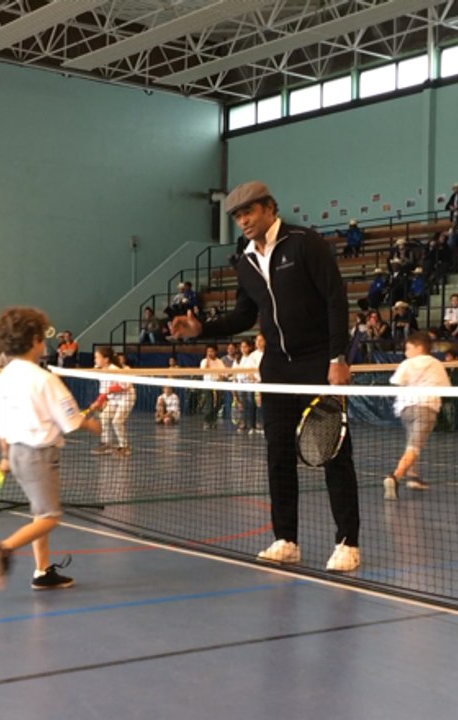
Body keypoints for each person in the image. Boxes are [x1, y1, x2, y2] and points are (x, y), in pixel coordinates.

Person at [168, 180, 361, 573]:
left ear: (270, 208)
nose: (243, 221)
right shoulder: (246, 261)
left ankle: (348, 543)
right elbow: (243, 316)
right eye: (238, 216)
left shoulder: (305, 243)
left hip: (317, 363)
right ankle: (286, 539)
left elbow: (335, 299)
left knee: (333, 454)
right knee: (278, 457)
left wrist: (338, 356)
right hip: (275, 367)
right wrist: (200, 328)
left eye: (249, 213)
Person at [0, 306, 102, 592]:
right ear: (35, 339)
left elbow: (2, 423)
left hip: (15, 453)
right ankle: (3, 549)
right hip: (39, 456)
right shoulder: (45, 379)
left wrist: (4, 456)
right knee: (50, 517)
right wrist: (91, 425)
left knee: (39, 512)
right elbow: (71, 420)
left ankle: (42, 571)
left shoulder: (5, 377)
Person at [383, 332, 450, 500]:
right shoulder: (436, 364)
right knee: (414, 446)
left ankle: (413, 477)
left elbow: (397, 381)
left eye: (408, 348)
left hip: (405, 409)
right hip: (426, 408)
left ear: (419, 347)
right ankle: (395, 477)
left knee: (411, 442)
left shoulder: (406, 363)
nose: (405, 351)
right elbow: (445, 387)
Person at [88, 346, 135, 457]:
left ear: (106, 359)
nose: (95, 360)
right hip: (114, 399)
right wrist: (98, 402)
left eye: (97, 357)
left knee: (117, 421)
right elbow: (104, 392)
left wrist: (110, 390)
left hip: (126, 397)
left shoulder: (115, 370)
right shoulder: (101, 372)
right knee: (104, 417)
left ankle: (125, 447)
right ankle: (107, 444)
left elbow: (125, 385)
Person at [235, 336, 262, 433]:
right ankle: (245, 423)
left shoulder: (254, 356)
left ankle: (255, 424)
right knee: (244, 405)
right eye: (241, 347)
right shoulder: (240, 358)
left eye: (245, 347)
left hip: (252, 384)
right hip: (242, 384)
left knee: (253, 404)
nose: (243, 349)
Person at [196, 344, 227, 429]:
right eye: (208, 351)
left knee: (217, 403)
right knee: (209, 403)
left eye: (212, 351)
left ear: (215, 352)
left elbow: (224, 373)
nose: (210, 353)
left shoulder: (219, 361)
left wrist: (221, 377)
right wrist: (208, 361)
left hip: (217, 385)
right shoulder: (203, 361)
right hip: (207, 384)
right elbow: (203, 371)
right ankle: (207, 421)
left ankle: (213, 420)